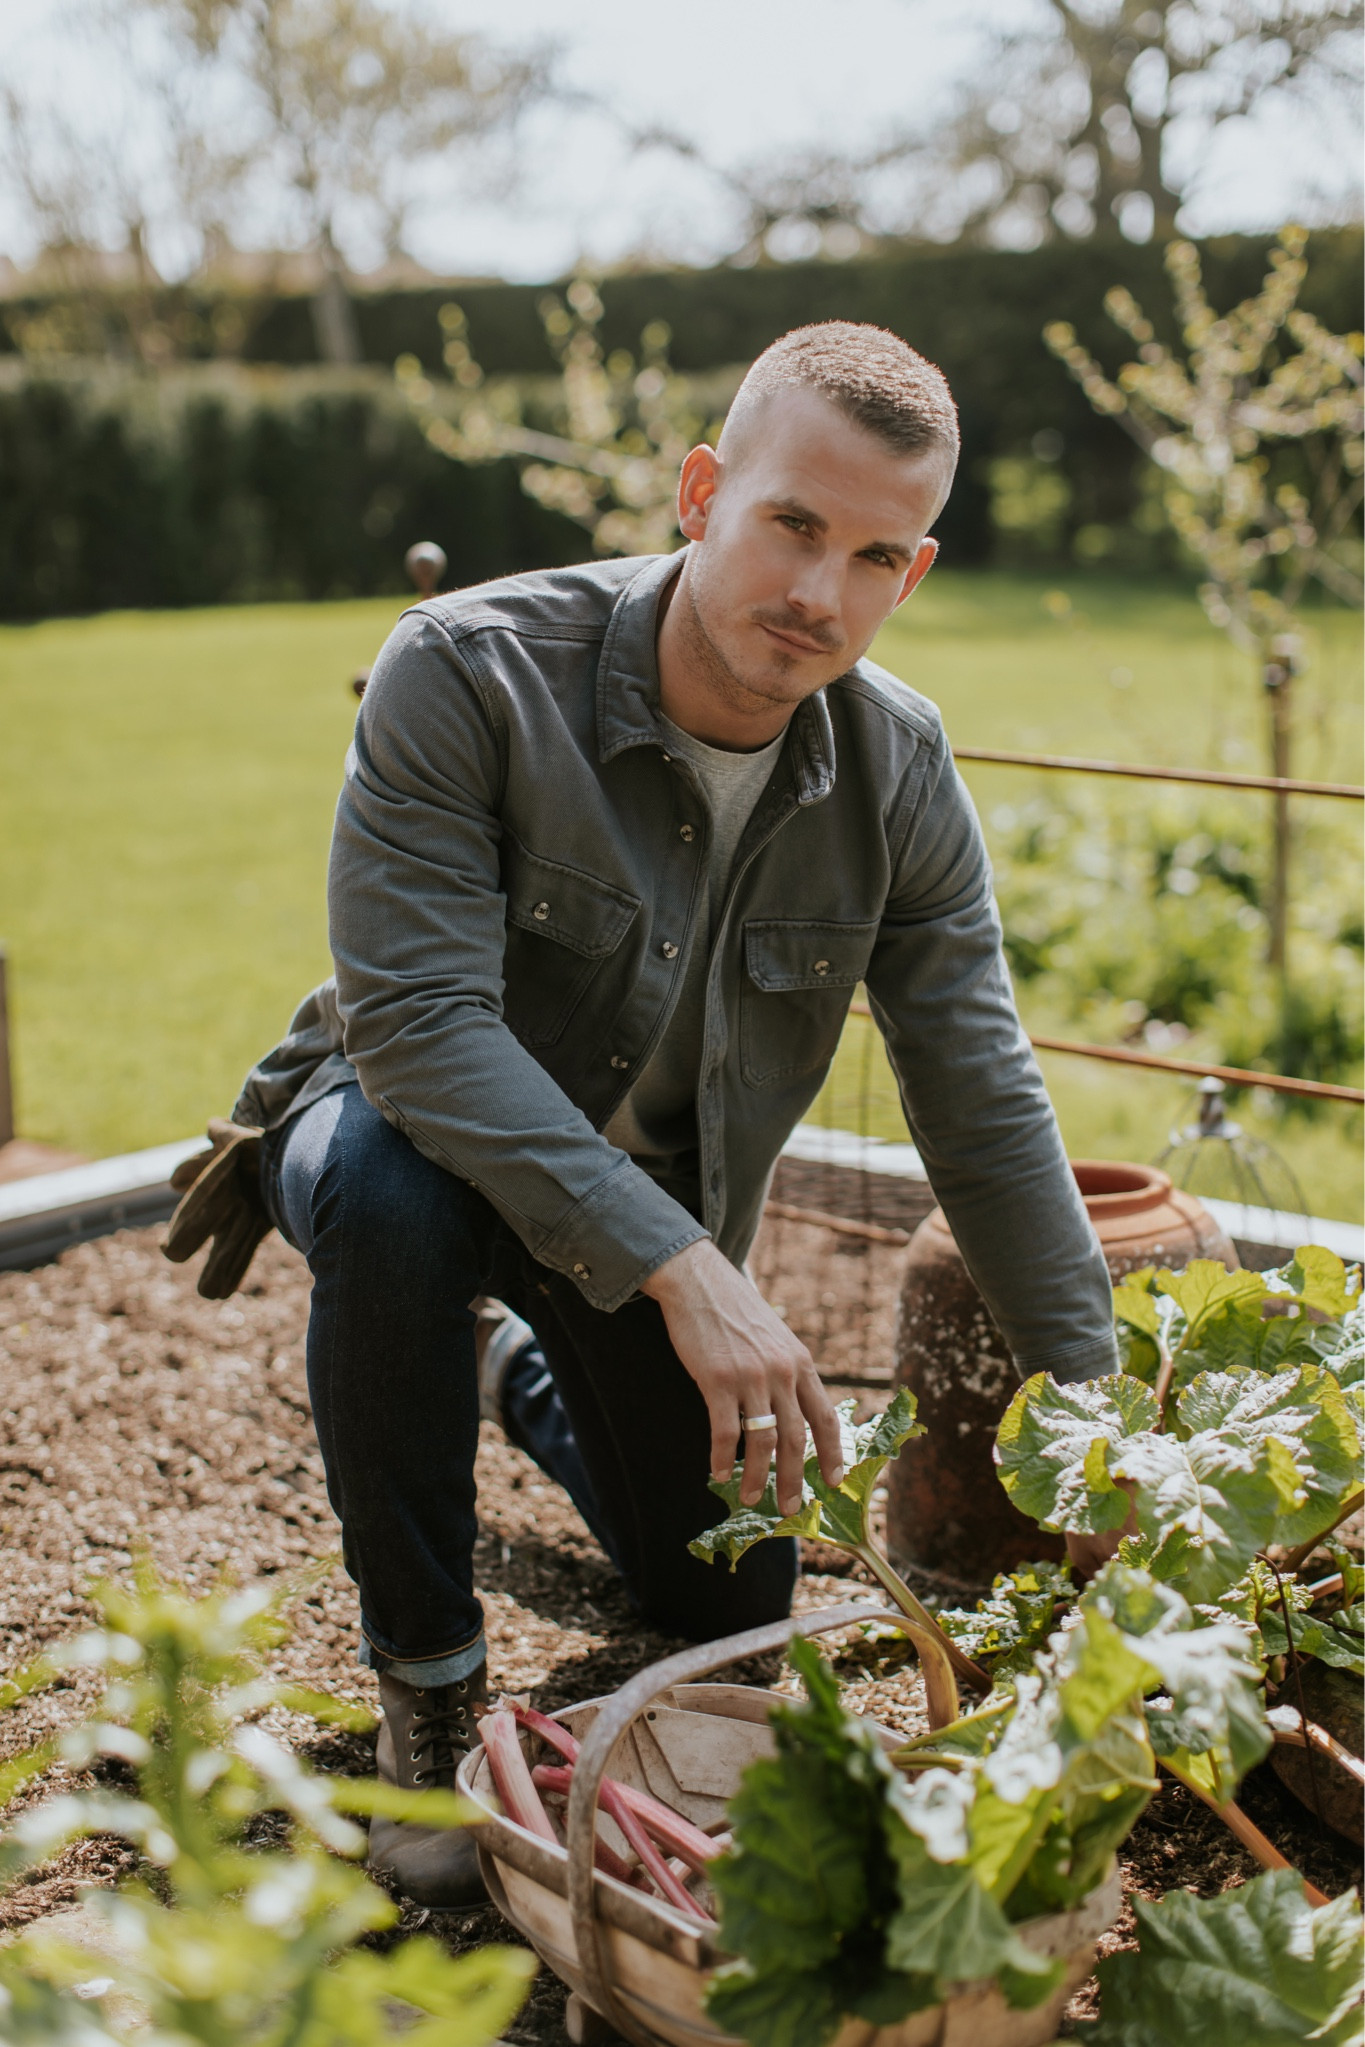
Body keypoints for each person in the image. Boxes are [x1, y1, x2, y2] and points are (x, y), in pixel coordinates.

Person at [169, 321, 1120, 1909]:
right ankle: (427, 1684)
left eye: (873, 555)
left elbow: (983, 1102)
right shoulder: (467, 669)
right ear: (700, 493)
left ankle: (506, 1368)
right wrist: (689, 1274)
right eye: (791, 525)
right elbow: (414, 1023)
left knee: (719, 1596)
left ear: (916, 573)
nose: (820, 593)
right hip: (403, 1122)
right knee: (394, 1209)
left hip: (647, 1206)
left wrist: (1107, 1435)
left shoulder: (898, 772)